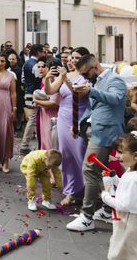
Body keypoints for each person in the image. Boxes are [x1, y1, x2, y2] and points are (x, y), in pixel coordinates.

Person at [66, 54, 128, 232]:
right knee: (105, 172)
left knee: (89, 169)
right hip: (97, 131)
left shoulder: (115, 79)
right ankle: (108, 210)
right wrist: (79, 122)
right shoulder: (96, 81)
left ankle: (87, 217)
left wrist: (91, 91)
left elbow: (116, 99)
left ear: (95, 67)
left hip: (107, 133)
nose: (84, 77)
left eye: (86, 74)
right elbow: (95, 109)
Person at [101, 132, 137, 260]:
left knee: (128, 252)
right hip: (135, 220)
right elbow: (125, 184)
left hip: (133, 223)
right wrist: (115, 178)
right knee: (135, 251)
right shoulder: (135, 171)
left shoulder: (135, 178)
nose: (117, 156)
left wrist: (106, 196)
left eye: (121, 152)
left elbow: (124, 205)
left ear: (135, 155)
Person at [44, 53, 89, 206]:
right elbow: (49, 92)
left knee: (81, 155)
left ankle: (86, 192)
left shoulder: (87, 76)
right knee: (66, 156)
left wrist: (66, 79)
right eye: (71, 58)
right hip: (63, 117)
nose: (72, 61)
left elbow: (79, 95)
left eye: (76, 57)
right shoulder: (65, 74)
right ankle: (71, 192)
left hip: (79, 118)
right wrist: (48, 78)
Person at [20, 44, 46, 155]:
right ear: (38, 52)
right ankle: (24, 146)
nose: (44, 53)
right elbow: (39, 78)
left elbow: (23, 79)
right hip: (34, 94)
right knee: (33, 119)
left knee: (33, 119)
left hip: (29, 93)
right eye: (43, 51)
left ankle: (27, 145)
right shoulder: (35, 64)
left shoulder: (26, 63)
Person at [32, 59, 60, 150]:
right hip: (43, 113)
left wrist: (36, 101)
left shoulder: (56, 81)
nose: (42, 69)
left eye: (44, 67)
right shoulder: (46, 79)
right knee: (44, 140)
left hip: (51, 115)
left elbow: (54, 104)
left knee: (50, 142)